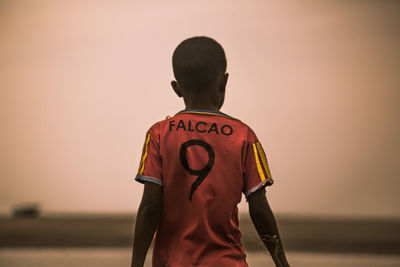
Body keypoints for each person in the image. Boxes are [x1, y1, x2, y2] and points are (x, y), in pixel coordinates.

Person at [131, 36, 290, 267]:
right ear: (224, 82)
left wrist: (135, 264)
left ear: (176, 88)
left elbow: (149, 208)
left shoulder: (159, 134)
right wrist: (281, 263)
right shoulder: (244, 136)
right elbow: (260, 209)